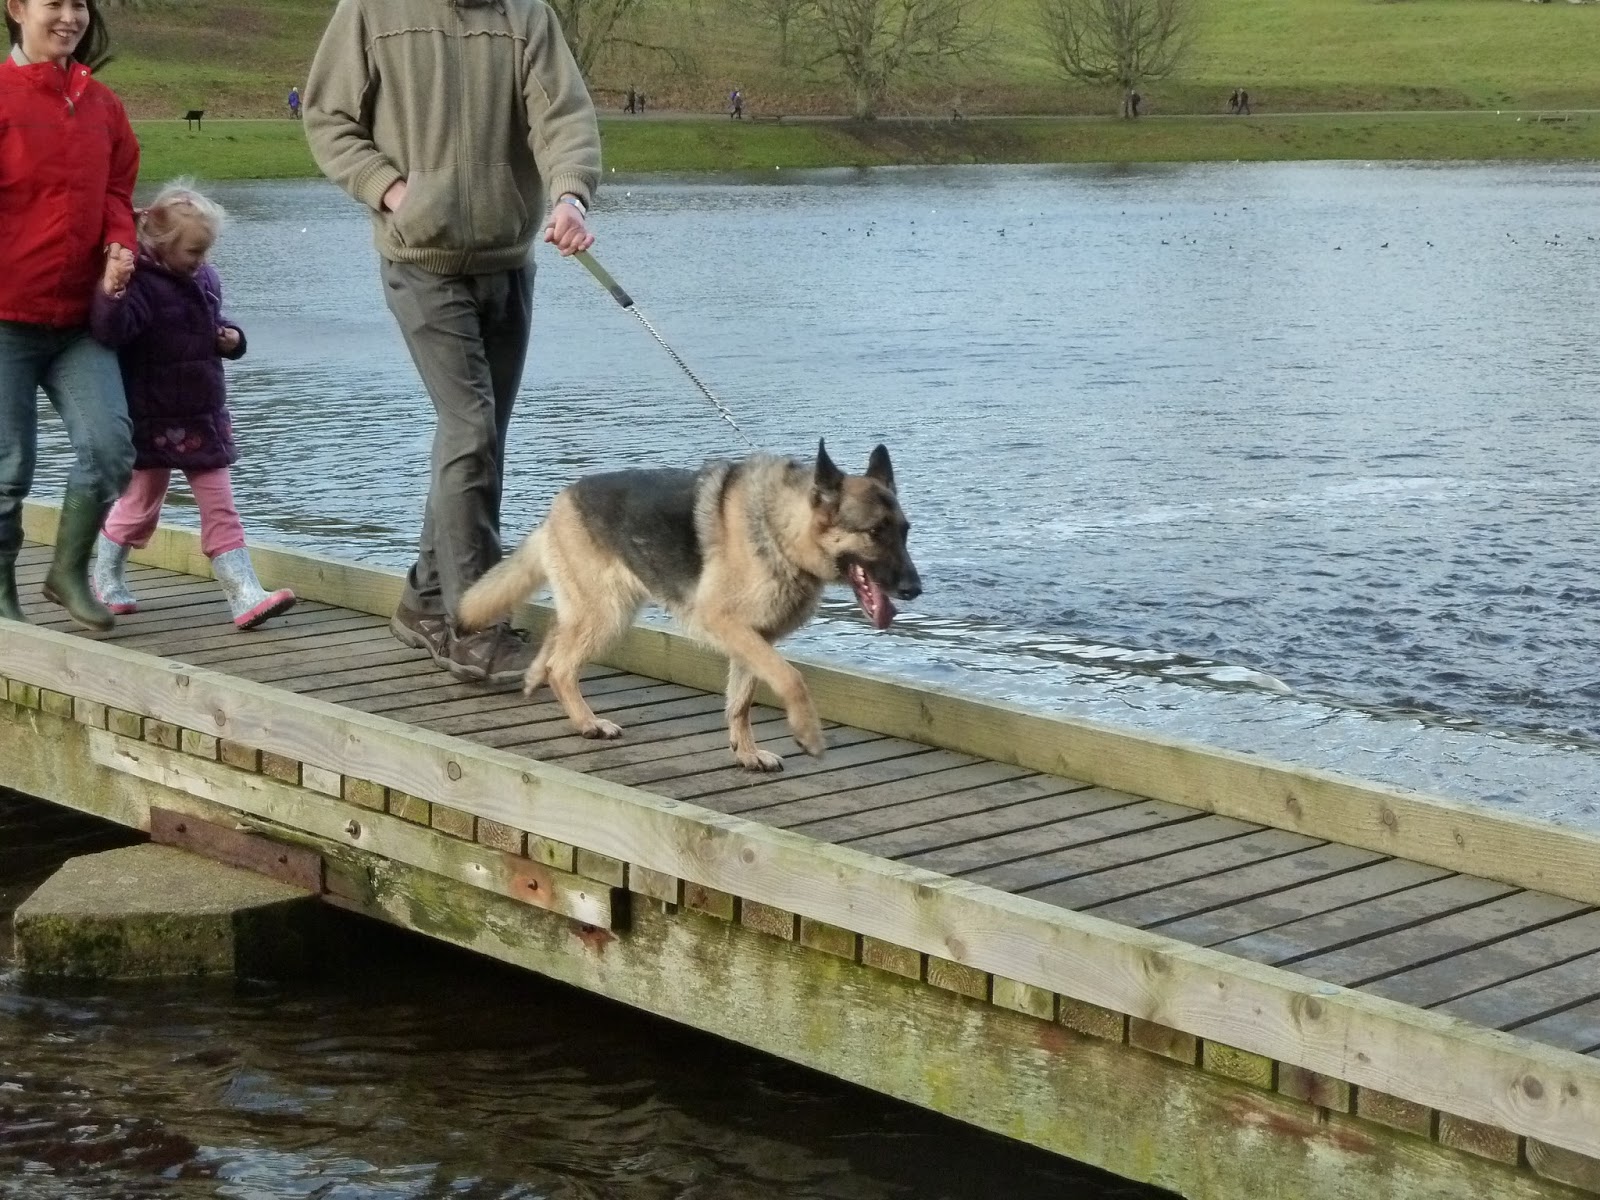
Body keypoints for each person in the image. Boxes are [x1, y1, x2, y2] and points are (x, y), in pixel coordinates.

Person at [303, 0, 601, 685]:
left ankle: (425, 601)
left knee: (482, 434)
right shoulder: (371, 10)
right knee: (470, 428)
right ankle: (474, 625)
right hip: (420, 261)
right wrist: (391, 190)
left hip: (508, 259)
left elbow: (563, 116)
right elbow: (328, 117)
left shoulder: (527, 14)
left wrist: (569, 197)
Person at [88, 183, 297, 631]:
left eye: (206, 250)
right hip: (152, 416)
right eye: (193, 251)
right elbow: (111, 333)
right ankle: (105, 574)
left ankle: (244, 593)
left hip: (203, 412)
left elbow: (214, 322)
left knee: (220, 504)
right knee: (140, 504)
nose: (201, 259)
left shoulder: (205, 278)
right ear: (161, 246)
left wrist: (233, 339)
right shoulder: (140, 284)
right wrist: (112, 289)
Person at [0, 0, 137, 630]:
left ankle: (67, 571)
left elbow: (117, 191)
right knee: (7, 469)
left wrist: (120, 243)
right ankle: (2, 599)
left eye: (78, 4)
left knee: (111, 446)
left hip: (81, 321)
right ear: (16, 8)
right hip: (4, 318)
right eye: (53, 2)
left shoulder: (102, 105)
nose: (69, 16)